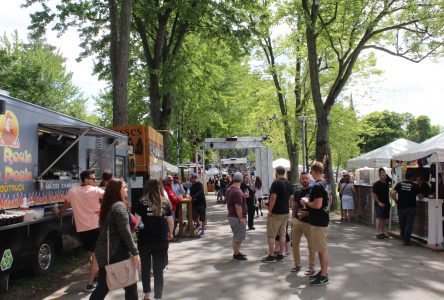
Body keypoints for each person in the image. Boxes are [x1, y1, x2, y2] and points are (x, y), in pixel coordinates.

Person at [90, 179, 140, 300]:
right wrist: (135, 252)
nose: (126, 189)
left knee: (104, 286)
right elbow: (125, 232)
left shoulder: (110, 205)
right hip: (116, 251)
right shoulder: (119, 207)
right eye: (124, 187)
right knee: (129, 285)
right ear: (117, 191)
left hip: (108, 251)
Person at [56, 170, 104, 292]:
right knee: (96, 254)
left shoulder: (72, 191)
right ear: (86, 179)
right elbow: (110, 198)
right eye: (93, 179)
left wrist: (58, 212)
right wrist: (103, 209)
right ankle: (90, 282)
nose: (95, 181)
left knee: (90, 252)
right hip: (96, 226)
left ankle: (95, 275)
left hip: (82, 228)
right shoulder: (96, 190)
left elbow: (64, 208)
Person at [135, 179, 174, 300]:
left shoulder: (141, 202)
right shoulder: (165, 203)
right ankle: (158, 296)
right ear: (160, 188)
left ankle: (147, 296)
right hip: (161, 240)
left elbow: (136, 223)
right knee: (158, 270)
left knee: (145, 269)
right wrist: (171, 233)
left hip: (144, 240)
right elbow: (170, 222)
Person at [300, 161, 330, 286]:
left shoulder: (318, 186)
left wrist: (306, 201)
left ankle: (324, 275)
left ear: (313, 172)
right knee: (320, 248)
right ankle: (322, 272)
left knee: (322, 249)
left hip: (318, 222)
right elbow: (329, 202)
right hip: (321, 219)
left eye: (311, 172)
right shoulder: (326, 184)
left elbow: (317, 205)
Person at [261, 166, 292, 263]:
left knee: (271, 235)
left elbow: (273, 197)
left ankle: (271, 255)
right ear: (285, 172)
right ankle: (281, 254)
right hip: (286, 211)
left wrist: (270, 210)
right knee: (282, 234)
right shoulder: (288, 183)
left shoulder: (276, 183)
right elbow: (290, 197)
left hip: (276, 212)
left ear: (276, 173)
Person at [291, 172, 316, 275]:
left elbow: (318, 206)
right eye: (302, 178)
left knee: (311, 246)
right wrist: (293, 219)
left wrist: (308, 213)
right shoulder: (298, 192)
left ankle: (311, 267)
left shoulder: (314, 191)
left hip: (310, 222)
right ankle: (297, 265)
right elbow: (295, 206)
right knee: (295, 244)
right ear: (300, 180)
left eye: (306, 178)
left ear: (310, 179)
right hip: (298, 221)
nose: (304, 180)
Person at [391, 172, 423, 246]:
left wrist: (396, 201)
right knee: (409, 224)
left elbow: (392, 193)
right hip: (411, 208)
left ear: (405, 177)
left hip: (401, 207)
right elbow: (420, 196)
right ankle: (406, 241)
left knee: (402, 224)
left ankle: (403, 237)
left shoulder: (399, 184)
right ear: (412, 178)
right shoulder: (415, 185)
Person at [225, 172, 248, 261]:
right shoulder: (237, 191)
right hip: (236, 217)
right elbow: (238, 206)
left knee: (237, 236)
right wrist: (241, 218)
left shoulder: (230, 189)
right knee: (238, 237)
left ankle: (237, 252)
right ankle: (236, 254)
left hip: (232, 216)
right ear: (241, 180)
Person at [372, 168, 392, 239]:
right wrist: (379, 202)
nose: (384, 175)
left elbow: (393, 181)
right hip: (379, 203)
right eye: (382, 174)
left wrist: (386, 175)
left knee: (384, 218)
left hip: (386, 203)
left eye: (385, 174)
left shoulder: (387, 183)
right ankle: (378, 233)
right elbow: (374, 194)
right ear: (379, 176)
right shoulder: (376, 184)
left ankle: (382, 232)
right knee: (379, 217)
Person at [190, 173, 207, 237]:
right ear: (191, 179)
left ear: (197, 178)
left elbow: (201, 192)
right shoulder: (191, 186)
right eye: (193, 178)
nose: (194, 179)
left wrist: (194, 197)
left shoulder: (200, 184)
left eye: (195, 178)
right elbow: (191, 194)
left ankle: (202, 232)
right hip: (195, 204)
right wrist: (192, 197)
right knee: (192, 216)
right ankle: (198, 224)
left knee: (203, 218)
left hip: (201, 203)